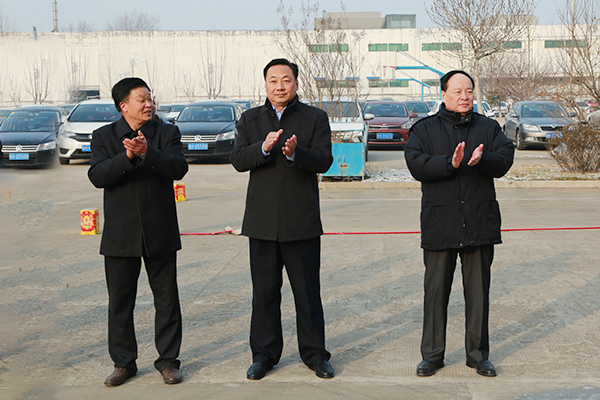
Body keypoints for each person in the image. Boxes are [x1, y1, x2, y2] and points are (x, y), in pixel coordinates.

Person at [404, 70, 514, 378]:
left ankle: (478, 355)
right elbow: (416, 164)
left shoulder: (488, 127)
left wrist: (484, 160)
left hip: (479, 222)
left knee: (478, 293)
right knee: (436, 292)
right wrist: (450, 164)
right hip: (441, 221)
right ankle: (432, 355)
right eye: (457, 91)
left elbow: (505, 159)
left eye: (468, 91)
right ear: (443, 95)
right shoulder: (425, 129)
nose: (464, 96)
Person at [230, 58, 334, 380]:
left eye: (285, 80)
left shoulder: (314, 118)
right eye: (273, 80)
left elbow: (325, 160)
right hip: (261, 223)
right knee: (264, 294)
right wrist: (262, 148)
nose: (279, 86)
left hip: (301, 222)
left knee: (307, 294)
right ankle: (263, 355)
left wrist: (294, 154)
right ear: (265, 85)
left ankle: (315, 354)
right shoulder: (250, 119)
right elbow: (237, 160)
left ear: (296, 84)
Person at [88, 77, 188, 386]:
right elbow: (98, 176)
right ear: (123, 106)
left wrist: (148, 152)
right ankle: (123, 363)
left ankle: (169, 362)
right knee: (120, 303)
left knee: (167, 300)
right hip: (120, 234)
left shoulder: (167, 133)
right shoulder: (104, 137)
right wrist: (128, 156)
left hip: (160, 230)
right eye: (141, 100)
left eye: (150, 99)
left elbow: (178, 168)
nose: (149, 104)